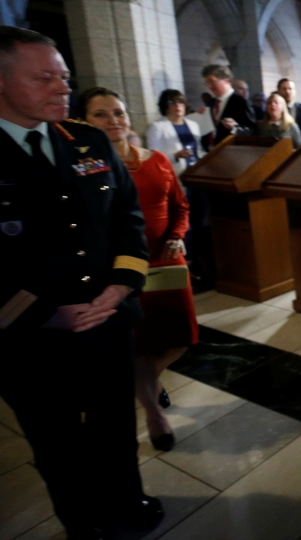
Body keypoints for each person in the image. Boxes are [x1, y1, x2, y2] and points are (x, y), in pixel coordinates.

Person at [0, 26, 162, 539]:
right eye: (43, 77)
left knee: (115, 426)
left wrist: (119, 287)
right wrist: (43, 311)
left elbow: (127, 220)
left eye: (64, 77)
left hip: (108, 320)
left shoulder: (86, 140)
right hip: (30, 338)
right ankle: (84, 523)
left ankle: (127, 500)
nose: (61, 88)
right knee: (58, 442)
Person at [78, 87, 199, 454]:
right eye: (101, 114)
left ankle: (150, 384)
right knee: (137, 345)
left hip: (166, 258)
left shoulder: (158, 160)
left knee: (179, 338)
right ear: (84, 122)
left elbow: (180, 206)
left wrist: (178, 236)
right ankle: (153, 413)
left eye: (118, 112)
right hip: (122, 267)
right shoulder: (84, 167)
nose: (113, 120)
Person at [145, 89, 202, 175]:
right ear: (165, 106)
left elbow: (198, 150)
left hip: (197, 172)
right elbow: (153, 157)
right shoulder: (157, 127)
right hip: (175, 174)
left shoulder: (193, 125)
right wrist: (176, 156)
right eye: (172, 102)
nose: (177, 105)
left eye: (181, 102)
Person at [201, 64, 255, 149]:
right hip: (211, 153)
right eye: (207, 82)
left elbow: (252, 130)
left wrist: (235, 127)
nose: (209, 86)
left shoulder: (240, 102)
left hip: (232, 152)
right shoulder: (211, 103)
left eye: (212, 81)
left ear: (226, 80)